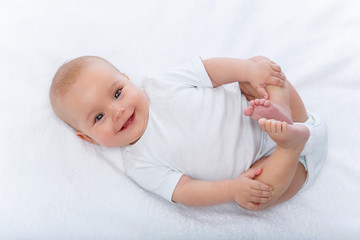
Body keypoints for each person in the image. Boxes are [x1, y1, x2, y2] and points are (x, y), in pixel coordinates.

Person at [49, 55, 327, 211]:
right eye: (99, 117)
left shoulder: (161, 84)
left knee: (257, 66)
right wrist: (233, 189)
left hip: (279, 112)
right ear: (87, 138)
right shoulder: (139, 163)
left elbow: (211, 71)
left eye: (118, 93)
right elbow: (185, 191)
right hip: (276, 166)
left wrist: (249, 70)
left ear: (127, 78)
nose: (117, 111)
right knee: (256, 198)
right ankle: (289, 144)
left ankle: (281, 114)